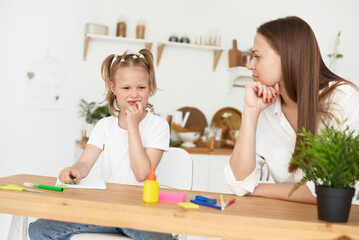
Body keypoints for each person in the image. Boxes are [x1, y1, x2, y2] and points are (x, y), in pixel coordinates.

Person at [29, 49, 174, 240]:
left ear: (150, 87)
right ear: (112, 88)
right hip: (107, 210)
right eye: (126, 88)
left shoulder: (158, 126)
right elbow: (85, 164)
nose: (134, 94)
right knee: (39, 229)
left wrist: (132, 126)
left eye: (141, 87)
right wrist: (75, 170)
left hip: (141, 212)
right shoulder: (104, 126)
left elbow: (142, 174)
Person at [224, 16, 359, 204]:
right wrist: (250, 112)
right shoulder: (265, 107)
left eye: (257, 56)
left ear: (287, 56)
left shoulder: (343, 98)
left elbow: (326, 188)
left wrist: (255, 188)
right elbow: (239, 182)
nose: (250, 65)